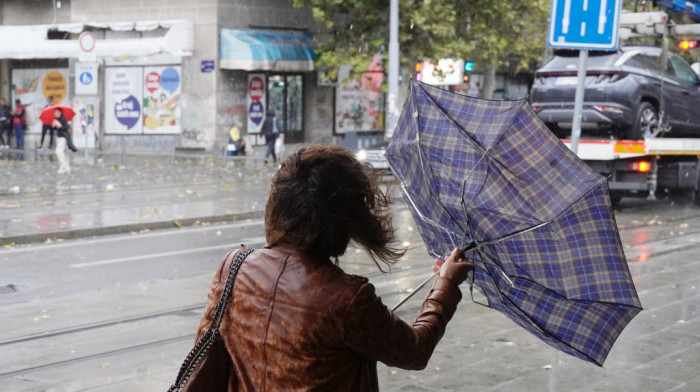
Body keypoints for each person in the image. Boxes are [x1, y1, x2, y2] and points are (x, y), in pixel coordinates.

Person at [194, 144, 472, 390]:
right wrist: (445, 287)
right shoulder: (347, 299)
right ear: (347, 219)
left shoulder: (234, 265)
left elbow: (205, 350)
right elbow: (414, 351)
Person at [52, 108, 71, 174]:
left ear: (60, 112)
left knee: (58, 151)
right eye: (55, 112)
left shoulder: (63, 119)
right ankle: (67, 167)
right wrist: (53, 125)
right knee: (64, 153)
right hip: (59, 137)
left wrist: (59, 125)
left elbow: (65, 128)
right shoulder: (56, 119)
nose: (56, 113)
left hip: (64, 137)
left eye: (57, 112)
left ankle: (63, 167)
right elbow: (55, 129)